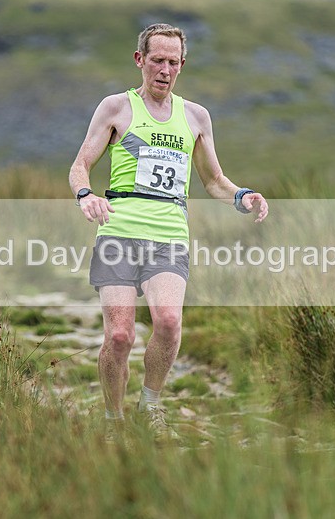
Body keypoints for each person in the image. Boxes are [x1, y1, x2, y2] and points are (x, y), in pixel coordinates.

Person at [68, 23, 268, 443]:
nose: (164, 69)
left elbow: (213, 180)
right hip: (119, 231)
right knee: (119, 336)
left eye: (173, 62)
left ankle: (150, 405)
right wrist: (86, 194)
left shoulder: (196, 116)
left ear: (182, 65)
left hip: (169, 234)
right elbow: (80, 164)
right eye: (157, 60)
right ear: (140, 60)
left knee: (170, 322)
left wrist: (242, 196)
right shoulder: (116, 108)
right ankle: (112, 420)